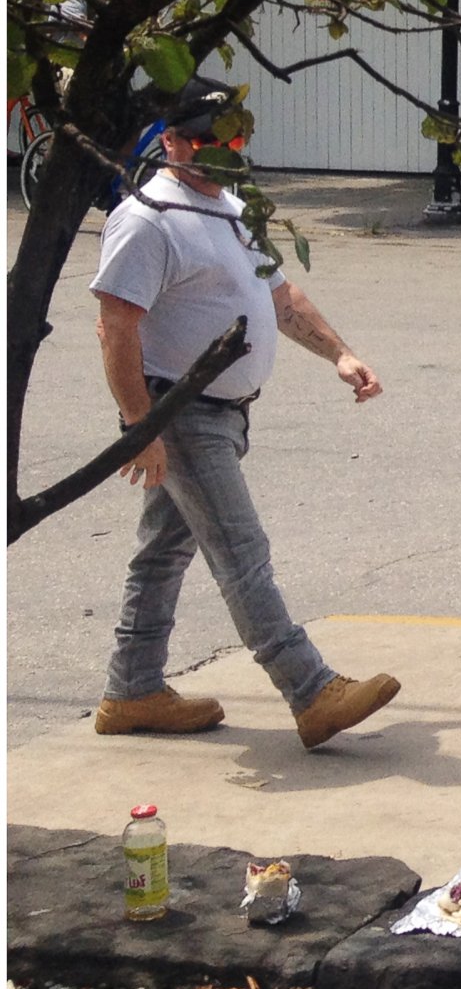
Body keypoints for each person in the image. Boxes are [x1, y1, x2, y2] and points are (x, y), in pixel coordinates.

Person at [90, 75, 402, 750]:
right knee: (242, 551)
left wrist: (340, 355)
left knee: (162, 553)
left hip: (224, 412)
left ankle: (132, 689)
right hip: (180, 408)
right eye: (207, 140)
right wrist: (139, 426)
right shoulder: (147, 218)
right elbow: (116, 326)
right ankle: (311, 688)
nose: (222, 150)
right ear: (170, 143)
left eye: (233, 138)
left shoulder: (230, 208)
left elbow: (281, 299)